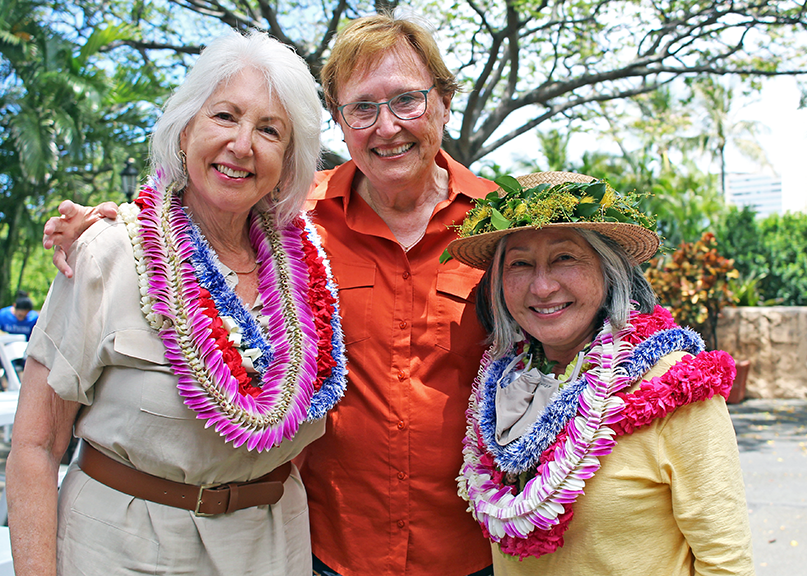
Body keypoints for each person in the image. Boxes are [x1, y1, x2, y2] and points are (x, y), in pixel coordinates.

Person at [43, 15, 498, 576]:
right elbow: (198, 209)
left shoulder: (504, 230)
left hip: (464, 550)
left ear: (445, 102)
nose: (387, 127)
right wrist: (103, 221)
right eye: (362, 108)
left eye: (407, 100)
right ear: (338, 121)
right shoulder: (294, 222)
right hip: (324, 551)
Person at [7, 29, 347, 576]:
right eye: (224, 116)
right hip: (120, 553)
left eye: (269, 130)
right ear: (185, 128)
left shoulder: (310, 276)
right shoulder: (108, 252)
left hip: (273, 550)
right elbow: (35, 445)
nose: (242, 144)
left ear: (287, 162)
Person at [445, 171, 755, 575]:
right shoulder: (502, 387)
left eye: (565, 258)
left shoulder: (673, 386)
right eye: (520, 263)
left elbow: (726, 562)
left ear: (609, 270)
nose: (541, 287)